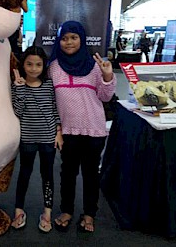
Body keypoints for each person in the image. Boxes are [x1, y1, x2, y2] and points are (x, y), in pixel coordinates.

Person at [48, 21, 116, 233]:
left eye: (73, 38)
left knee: (90, 175)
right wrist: (57, 129)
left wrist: (107, 76)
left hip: (93, 129)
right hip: (67, 131)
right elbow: (50, 100)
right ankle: (66, 210)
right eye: (65, 38)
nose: (69, 42)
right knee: (67, 173)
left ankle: (89, 214)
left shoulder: (94, 65)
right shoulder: (54, 66)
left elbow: (105, 96)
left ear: (82, 40)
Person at [10, 46, 63, 233]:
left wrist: (58, 131)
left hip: (48, 138)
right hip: (28, 138)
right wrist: (20, 89)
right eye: (29, 64)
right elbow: (17, 112)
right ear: (23, 65)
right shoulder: (17, 86)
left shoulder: (49, 85)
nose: (33, 68)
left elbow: (55, 109)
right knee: (24, 174)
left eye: (38, 64)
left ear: (44, 66)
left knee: (48, 176)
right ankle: (18, 211)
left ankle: (47, 213)